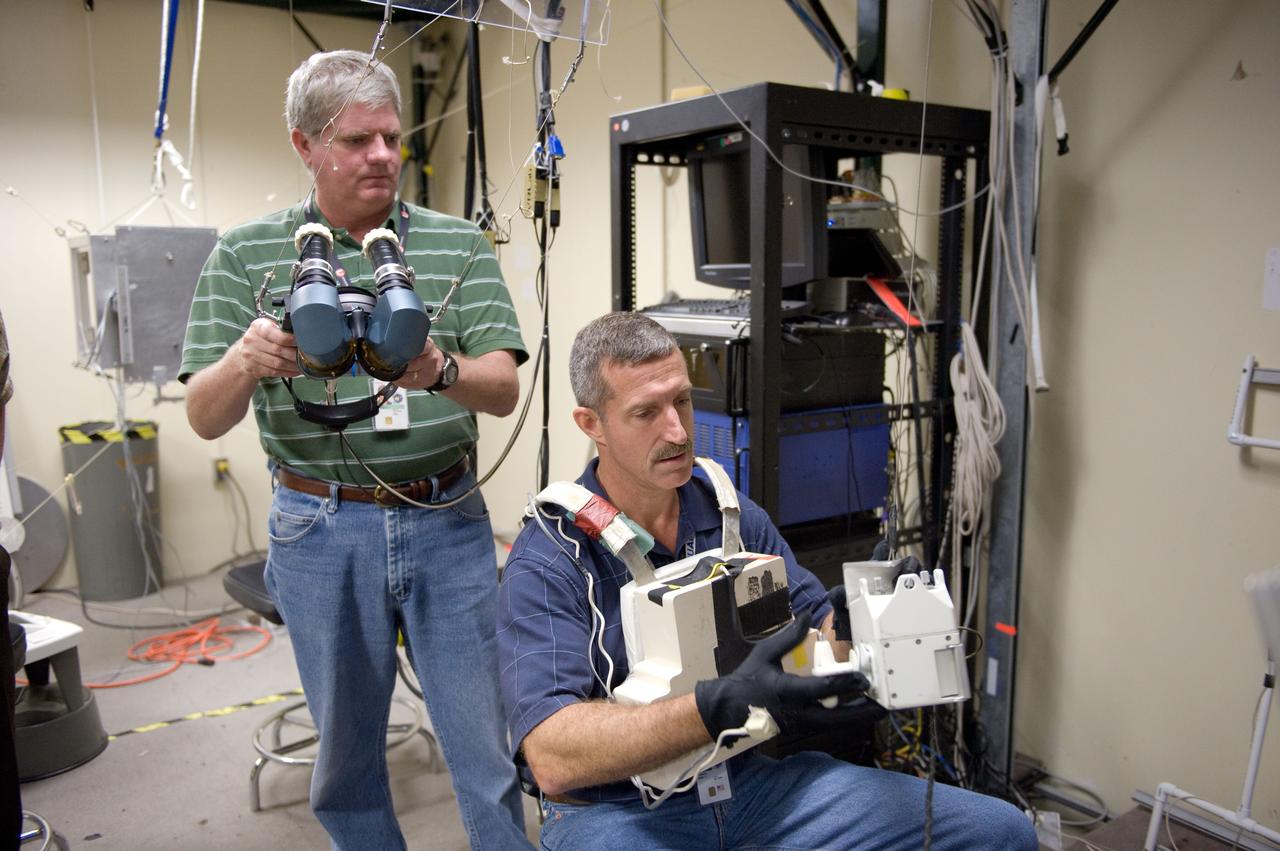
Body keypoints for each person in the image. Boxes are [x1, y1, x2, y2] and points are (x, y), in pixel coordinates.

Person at [497, 312, 1039, 850]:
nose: (678, 431)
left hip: (748, 786)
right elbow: (551, 756)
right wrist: (714, 709)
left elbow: (817, 642)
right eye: (646, 413)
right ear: (592, 424)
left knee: (1002, 832)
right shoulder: (550, 557)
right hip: (616, 813)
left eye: (682, 400)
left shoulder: (730, 516)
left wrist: (862, 627)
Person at [180, 50, 530, 850]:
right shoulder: (244, 254)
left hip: (446, 515)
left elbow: (503, 388)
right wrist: (247, 359)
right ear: (304, 146)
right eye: (355, 141)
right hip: (319, 524)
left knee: (483, 742)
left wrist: (437, 368)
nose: (380, 156)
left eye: (390, 138)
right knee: (345, 757)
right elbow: (203, 415)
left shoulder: (457, 244)